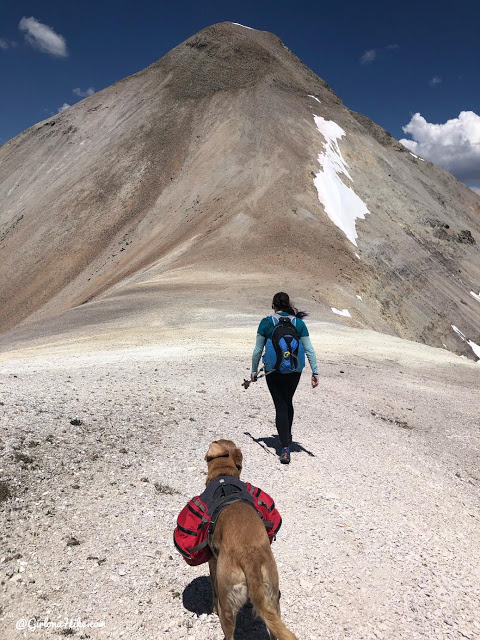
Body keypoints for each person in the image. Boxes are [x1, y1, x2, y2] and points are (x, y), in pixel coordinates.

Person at [251, 292, 319, 464]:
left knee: (280, 405)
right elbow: (309, 349)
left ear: (273, 305)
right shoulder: (299, 323)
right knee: (288, 401)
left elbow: (258, 350)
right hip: (295, 369)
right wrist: (315, 372)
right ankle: (287, 433)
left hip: (273, 370)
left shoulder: (266, 322)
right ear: (288, 304)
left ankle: (285, 447)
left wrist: (253, 371)